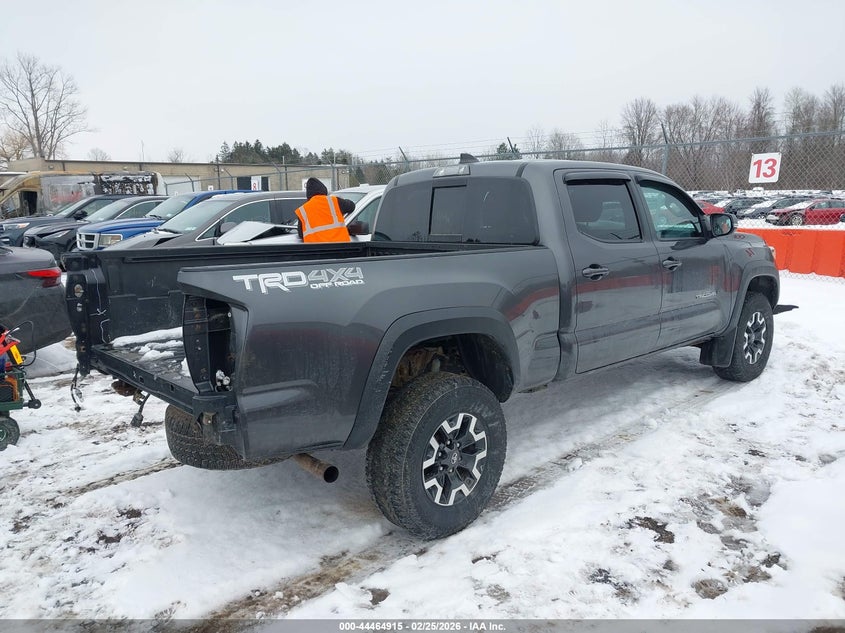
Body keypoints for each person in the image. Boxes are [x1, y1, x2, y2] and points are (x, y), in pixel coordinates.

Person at [295, 178, 355, 243]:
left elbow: (301, 234)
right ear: (324, 190)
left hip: (316, 251)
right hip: (340, 249)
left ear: (308, 195)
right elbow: (352, 206)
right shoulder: (334, 201)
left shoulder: (303, 210)